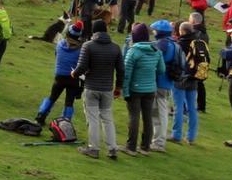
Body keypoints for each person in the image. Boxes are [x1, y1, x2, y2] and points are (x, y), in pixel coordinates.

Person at [71, 20, 125, 159]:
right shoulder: (116, 48)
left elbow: (82, 67)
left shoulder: (88, 46)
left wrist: (74, 74)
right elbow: (120, 70)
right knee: (107, 118)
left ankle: (93, 148)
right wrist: (118, 87)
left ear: (94, 31)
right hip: (107, 88)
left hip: (91, 87)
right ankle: (112, 148)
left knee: (93, 118)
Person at [121, 23, 165, 156]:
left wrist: (125, 91)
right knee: (147, 118)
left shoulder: (133, 51)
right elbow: (162, 70)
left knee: (134, 117)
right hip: (150, 89)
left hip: (135, 89)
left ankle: (131, 147)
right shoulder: (156, 51)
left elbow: (126, 74)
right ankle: (145, 147)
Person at [35, 21, 84, 125]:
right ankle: (65, 124)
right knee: (69, 102)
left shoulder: (60, 44)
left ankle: (40, 116)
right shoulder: (81, 49)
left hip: (59, 76)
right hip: (73, 78)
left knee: (52, 97)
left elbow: (56, 55)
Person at [172, 21, 204, 145]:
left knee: (178, 106)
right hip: (194, 77)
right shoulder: (198, 42)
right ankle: (191, 136)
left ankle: (177, 134)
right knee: (192, 108)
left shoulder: (180, 44)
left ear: (182, 31)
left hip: (181, 77)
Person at [149, 19, 179, 152]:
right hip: (167, 83)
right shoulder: (173, 43)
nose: (153, 32)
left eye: (155, 30)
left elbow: (155, 59)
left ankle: (159, 142)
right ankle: (158, 141)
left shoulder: (162, 44)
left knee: (159, 114)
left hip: (160, 83)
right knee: (159, 113)